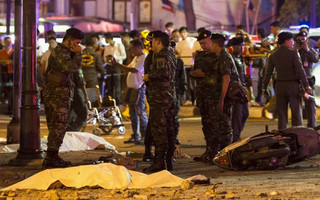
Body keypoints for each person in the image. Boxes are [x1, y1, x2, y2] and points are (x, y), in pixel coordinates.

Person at [42, 28, 84, 168]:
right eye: (77, 43)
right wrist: (78, 54)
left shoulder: (66, 52)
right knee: (58, 126)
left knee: (58, 126)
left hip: (60, 93)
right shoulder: (60, 52)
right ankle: (51, 158)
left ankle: (52, 156)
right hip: (57, 94)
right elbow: (71, 68)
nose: (78, 46)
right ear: (69, 41)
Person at [143, 31, 176, 172]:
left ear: (158, 42)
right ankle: (168, 161)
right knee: (169, 129)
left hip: (160, 98)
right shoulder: (171, 55)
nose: (151, 45)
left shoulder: (161, 56)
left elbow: (163, 74)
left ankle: (160, 162)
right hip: (168, 97)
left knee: (159, 130)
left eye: (153, 42)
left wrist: (148, 77)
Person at [263, 32, 311, 130]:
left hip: (280, 86)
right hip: (293, 86)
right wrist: (306, 86)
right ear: (286, 41)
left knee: (282, 114)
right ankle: (297, 136)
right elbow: (300, 70)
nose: (293, 42)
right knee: (296, 113)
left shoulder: (273, 55)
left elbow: (268, 73)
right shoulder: (293, 53)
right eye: (291, 40)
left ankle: (282, 136)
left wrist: (264, 87)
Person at [190, 30, 219, 162]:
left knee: (214, 125)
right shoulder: (200, 56)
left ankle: (215, 152)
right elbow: (194, 72)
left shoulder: (217, 56)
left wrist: (204, 75)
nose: (202, 45)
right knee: (206, 124)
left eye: (204, 42)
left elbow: (220, 76)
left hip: (213, 95)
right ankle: (209, 151)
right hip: (202, 94)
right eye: (200, 43)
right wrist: (195, 73)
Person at [111, 39, 148, 144]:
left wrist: (118, 65)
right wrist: (117, 65)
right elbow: (128, 68)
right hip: (131, 89)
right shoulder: (136, 57)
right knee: (133, 114)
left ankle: (145, 136)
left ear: (139, 48)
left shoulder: (143, 57)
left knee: (140, 112)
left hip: (138, 89)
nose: (131, 50)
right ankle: (135, 135)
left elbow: (134, 70)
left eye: (132, 48)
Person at [207, 33, 234, 157]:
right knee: (218, 126)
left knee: (225, 127)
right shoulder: (218, 56)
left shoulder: (224, 57)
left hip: (224, 97)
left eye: (211, 43)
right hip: (218, 95)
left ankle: (227, 154)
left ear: (215, 45)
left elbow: (226, 79)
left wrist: (222, 100)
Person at [295, 31, 319, 128]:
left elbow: (316, 59)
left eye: (303, 39)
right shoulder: (293, 50)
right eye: (299, 39)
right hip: (296, 81)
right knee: (297, 105)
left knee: (310, 104)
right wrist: (295, 50)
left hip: (308, 81)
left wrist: (307, 50)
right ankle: (298, 127)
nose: (301, 41)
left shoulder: (309, 50)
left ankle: (312, 126)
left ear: (306, 40)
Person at [229, 37, 249, 142]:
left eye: (243, 45)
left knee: (245, 113)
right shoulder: (231, 58)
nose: (242, 48)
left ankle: (236, 134)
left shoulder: (240, 58)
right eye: (240, 45)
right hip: (236, 89)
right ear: (234, 47)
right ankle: (235, 137)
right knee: (238, 114)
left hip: (243, 88)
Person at [103, 32, 126, 104]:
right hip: (109, 66)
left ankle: (118, 100)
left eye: (106, 39)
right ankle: (110, 100)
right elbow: (104, 57)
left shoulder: (119, 45)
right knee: (109, 84)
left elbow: (124, 56)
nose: (105, 40)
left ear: (109, 38)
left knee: (117, 84)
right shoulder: (106, 47)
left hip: (117, 66)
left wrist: (115, 58)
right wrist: (107, 59)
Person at [81, 37, 105, 107]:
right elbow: (100, 67)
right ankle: (93, 112)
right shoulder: (96, 54)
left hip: (82, 78)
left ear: (85, 44)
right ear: (93, 45)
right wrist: (103, 73)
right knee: (93, 98)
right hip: (92, 79)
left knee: (84, 97)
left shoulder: (80, 54)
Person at [176, 27, 197, 105]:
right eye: (181, 33)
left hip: (192, 65)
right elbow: (179, 54)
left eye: (184, 32)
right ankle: (189, 99)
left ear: (187, 33)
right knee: (187, 84)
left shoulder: (193, 40)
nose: (183, 34)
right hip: (184, 66)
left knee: (194, 83)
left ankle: (195, 99)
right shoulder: (179, 44)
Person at [0, 36, 13, 115]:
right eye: (7, 41)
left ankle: (10, 108)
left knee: (11, 91)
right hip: (4, 74)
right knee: (4, 89)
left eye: (10, 41)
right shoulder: (1, 52)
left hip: (12, 73)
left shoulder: (13, 52)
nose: (9, 43)